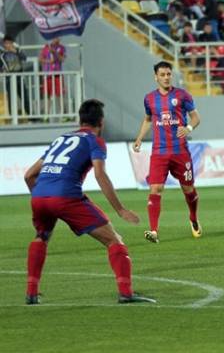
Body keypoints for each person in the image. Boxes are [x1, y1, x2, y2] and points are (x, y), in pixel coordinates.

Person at [23, 99, 155, 304]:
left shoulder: (61, 138)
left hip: (39, 195)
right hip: (66, 195)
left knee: (41, 236)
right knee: (114, 239)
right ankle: (126, 293)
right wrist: (120, 210)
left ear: (79, 119)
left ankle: (31, 293)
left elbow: (29, 175)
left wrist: (44, 199)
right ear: (101, 123)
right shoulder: (94, 140)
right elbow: (100, 175)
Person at [133, 61, 201, 243]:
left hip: (180, 151)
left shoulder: (182, 95)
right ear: (156, 77)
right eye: (162, 74)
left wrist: (188, 128)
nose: (166, 77)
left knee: (188, 189)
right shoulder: (149, 99)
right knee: (156, 188)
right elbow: (148, 119)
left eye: (168, 74)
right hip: (159, 152)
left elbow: (196, 117)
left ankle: (193, 218)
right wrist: (139, 138)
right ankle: (153, 230)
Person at [1, 36, 29, 116]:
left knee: (24, 97)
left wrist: (16, 51)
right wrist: (3, 70)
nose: (8, 45)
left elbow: (24, 58)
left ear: (12, 43)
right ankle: (12, 116)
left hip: (19, 77)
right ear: (4, 44)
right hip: (9, 79)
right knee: (11, 98)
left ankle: (32, 117)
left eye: (10, 43)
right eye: (6, 43)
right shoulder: (2, 55)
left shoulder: (18, 51)